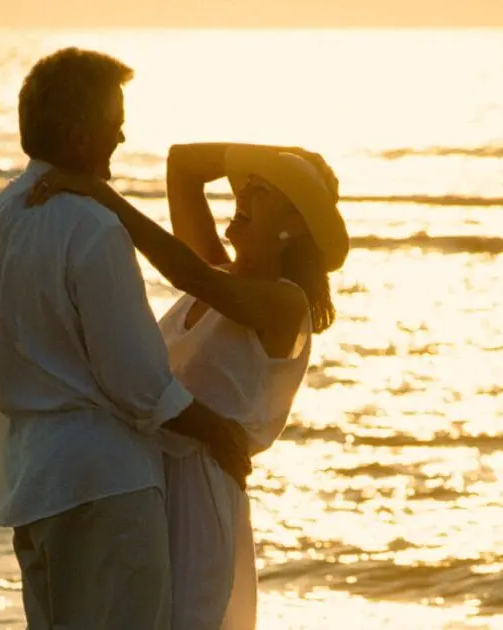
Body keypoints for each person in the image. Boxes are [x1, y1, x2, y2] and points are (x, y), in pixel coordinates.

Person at [0, 48, 252, 630]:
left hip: (30, 484)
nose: (121, 135)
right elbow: (139, 384)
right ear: (78, 136)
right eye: (113, 123)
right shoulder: (92, 226)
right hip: (105, 488)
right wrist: (217, 430)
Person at [28, 141, 348, 630]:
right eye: (246, 186)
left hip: (198, 492)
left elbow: (184, 271)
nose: (244, 195)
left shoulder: (284, 304)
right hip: (144, 476)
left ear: (295, 226)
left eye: (263, 192)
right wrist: (273, 158)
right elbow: (183, 164)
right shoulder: (219, 274)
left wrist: (99, 193)